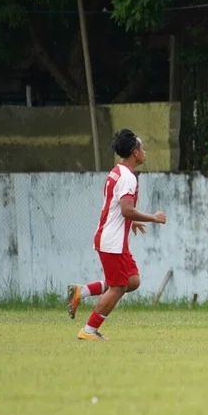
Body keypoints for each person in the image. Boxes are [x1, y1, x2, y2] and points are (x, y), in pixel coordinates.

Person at [67, 129, 167, 340]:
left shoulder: (117, 172)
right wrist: (153, 217)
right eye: (142, 147)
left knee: (132, 281)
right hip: (112, 241)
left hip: (112, 238)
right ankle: (89, 331)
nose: (144, 151)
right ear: (134, 152)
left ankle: (82, 292)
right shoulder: (128, 177)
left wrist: (132, 222)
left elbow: (117, 208)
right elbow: (125, 209)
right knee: (118, 286)